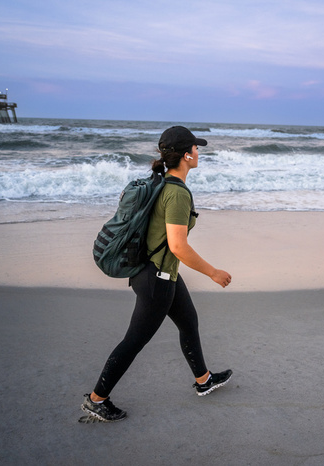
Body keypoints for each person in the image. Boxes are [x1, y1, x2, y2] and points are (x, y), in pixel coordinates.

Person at [82, 126, 233, 422]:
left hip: (158, 273)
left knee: (189, 321)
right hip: (157, 280)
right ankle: (97, 399)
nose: (199, 152)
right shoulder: (176, 194)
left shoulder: (161, 184)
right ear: (187, 155)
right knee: (134, 341)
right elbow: (178, 246)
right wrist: (213, 273)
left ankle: (204, 380)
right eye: (196, 148)